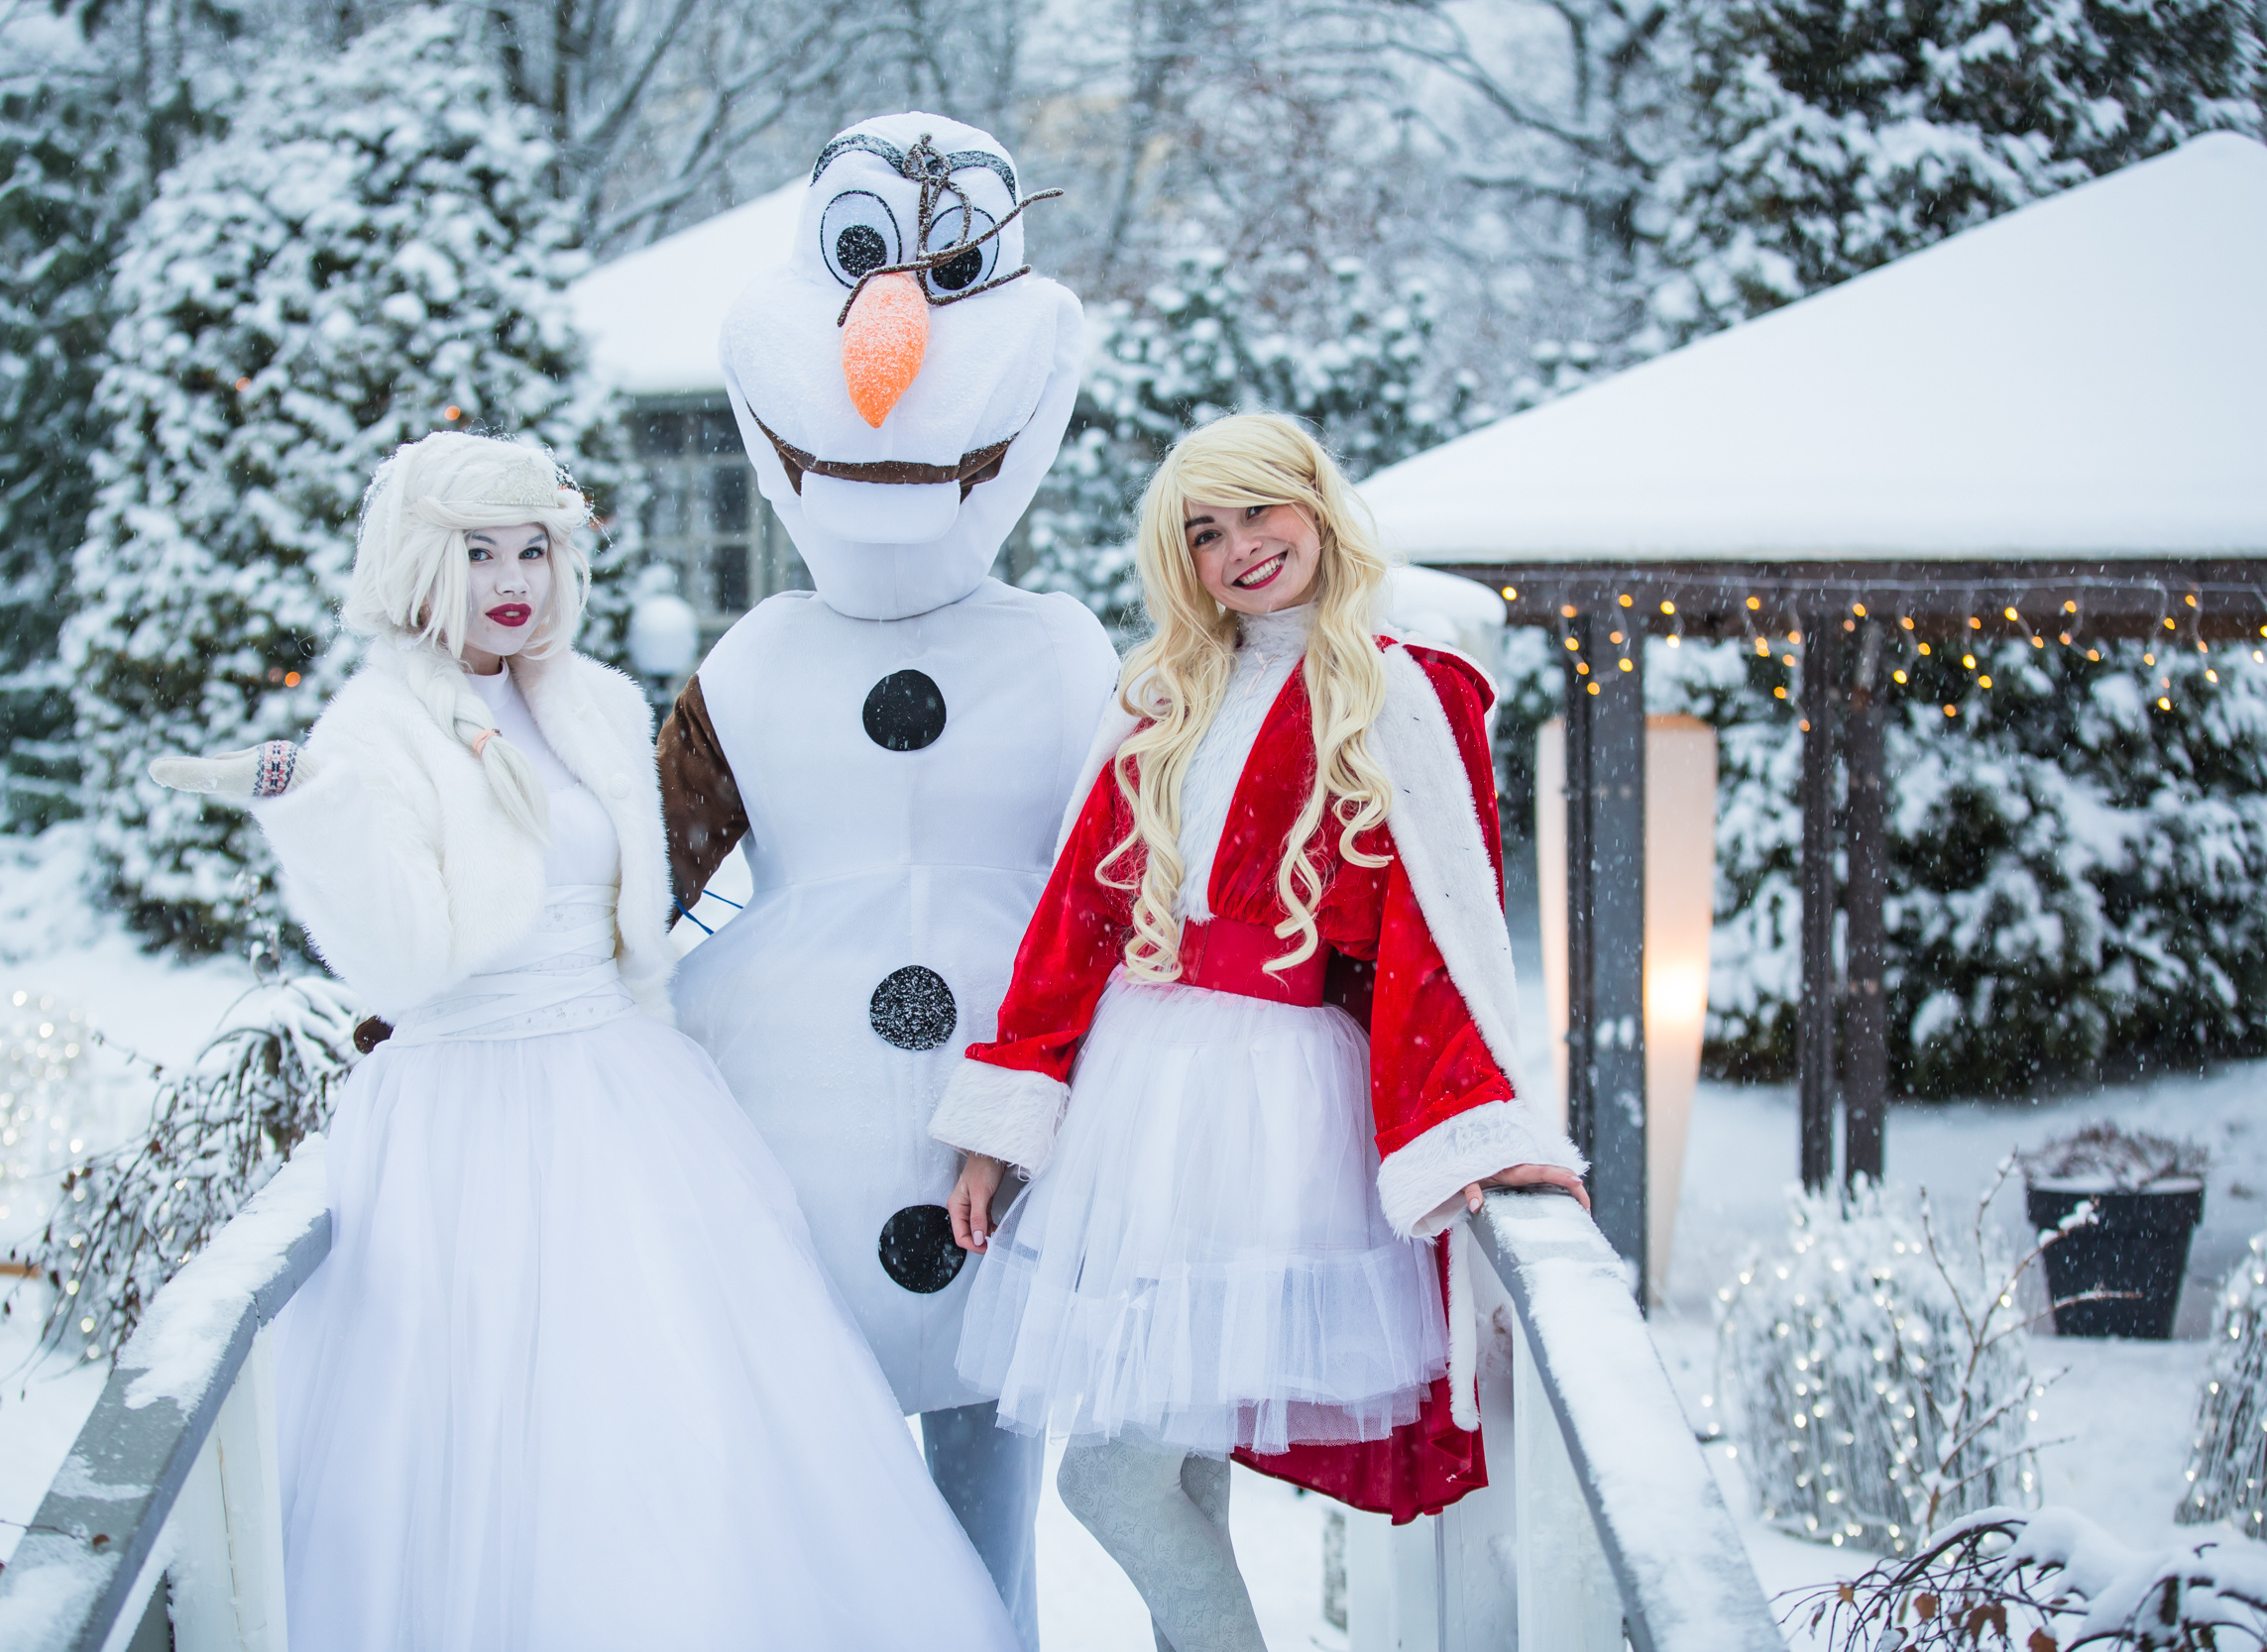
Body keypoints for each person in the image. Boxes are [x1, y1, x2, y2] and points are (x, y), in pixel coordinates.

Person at [147, 430, 1022, 1652]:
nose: (514, 578)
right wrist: (319, 810)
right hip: (470, 1101)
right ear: (417, 561)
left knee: (677, 1402)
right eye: (478, 552)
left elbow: (646, 898)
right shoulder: (377, 726)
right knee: (490, 1418)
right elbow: (401, 955)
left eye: (535, 548)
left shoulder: (599, 702)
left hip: (623, 1087)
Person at [929, 414, 1589, 1652]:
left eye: (1260, 513)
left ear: (1318, 505)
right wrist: (1001, 1124)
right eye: (1205, 531)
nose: (1240, 549)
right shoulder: (1163, 693)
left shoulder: (1402, 690)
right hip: (1134, 1105)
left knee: (1108, 1476)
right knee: (1174, 1470)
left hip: (1270, 1116)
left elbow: (1441, 938)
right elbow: (1074, 918)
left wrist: (1476, 1123)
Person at [659, 111, 1118, 1648]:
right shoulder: (751, 659)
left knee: (990, 1481)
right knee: (813, 1492)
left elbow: (1136, 880)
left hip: (1005, 1135)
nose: (889, 344)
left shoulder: (1063, 652)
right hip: (782, 1151)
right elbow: (630, 886)